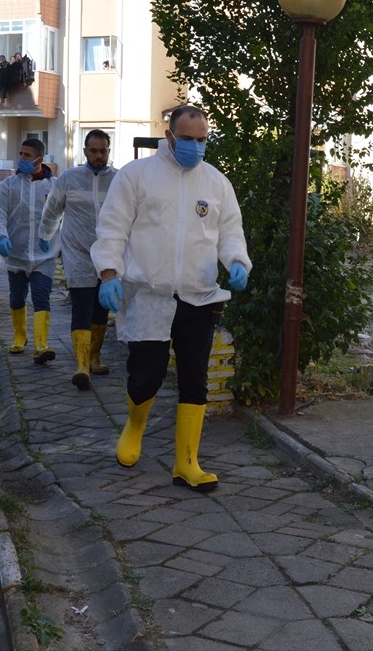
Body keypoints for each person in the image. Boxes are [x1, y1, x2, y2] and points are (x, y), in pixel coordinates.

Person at [91, 105, 250, 492]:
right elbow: (111, 227)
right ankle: (135, 424)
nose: (196, 147)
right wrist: (109, 273)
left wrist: (237, 261)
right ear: (170, 136)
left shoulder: (216, 183)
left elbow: (230, 230)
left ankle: (187, 463)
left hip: (200, 295)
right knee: (147, 375)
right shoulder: (136, 176)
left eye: (202, 140)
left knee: (196, 377)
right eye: (188, 139)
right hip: (149, 294)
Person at [39, 129, 117, 391]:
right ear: (85, 151)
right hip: (77, 253)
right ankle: (81, 364)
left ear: (108, 151)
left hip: (107, 254)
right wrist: (45, 235)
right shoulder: (70, 179)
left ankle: (94, 358)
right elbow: (52, 210)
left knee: (101, 308)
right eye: (93, 151)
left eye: (103, 151)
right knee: (82, 307)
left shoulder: (117, 180)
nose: (98, 155)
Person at [0, 138, 60, 365]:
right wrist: (1, 236)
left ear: (40, 159)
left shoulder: (54, 186)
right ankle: (20, 336)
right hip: (16, 254)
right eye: (21, 154)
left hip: (44, 255)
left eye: (27, 155)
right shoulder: (9, 185)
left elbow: (62, 215)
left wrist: (54, 239)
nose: (22, 159)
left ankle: (41, 345)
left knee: (41, 295)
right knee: (17, 296)